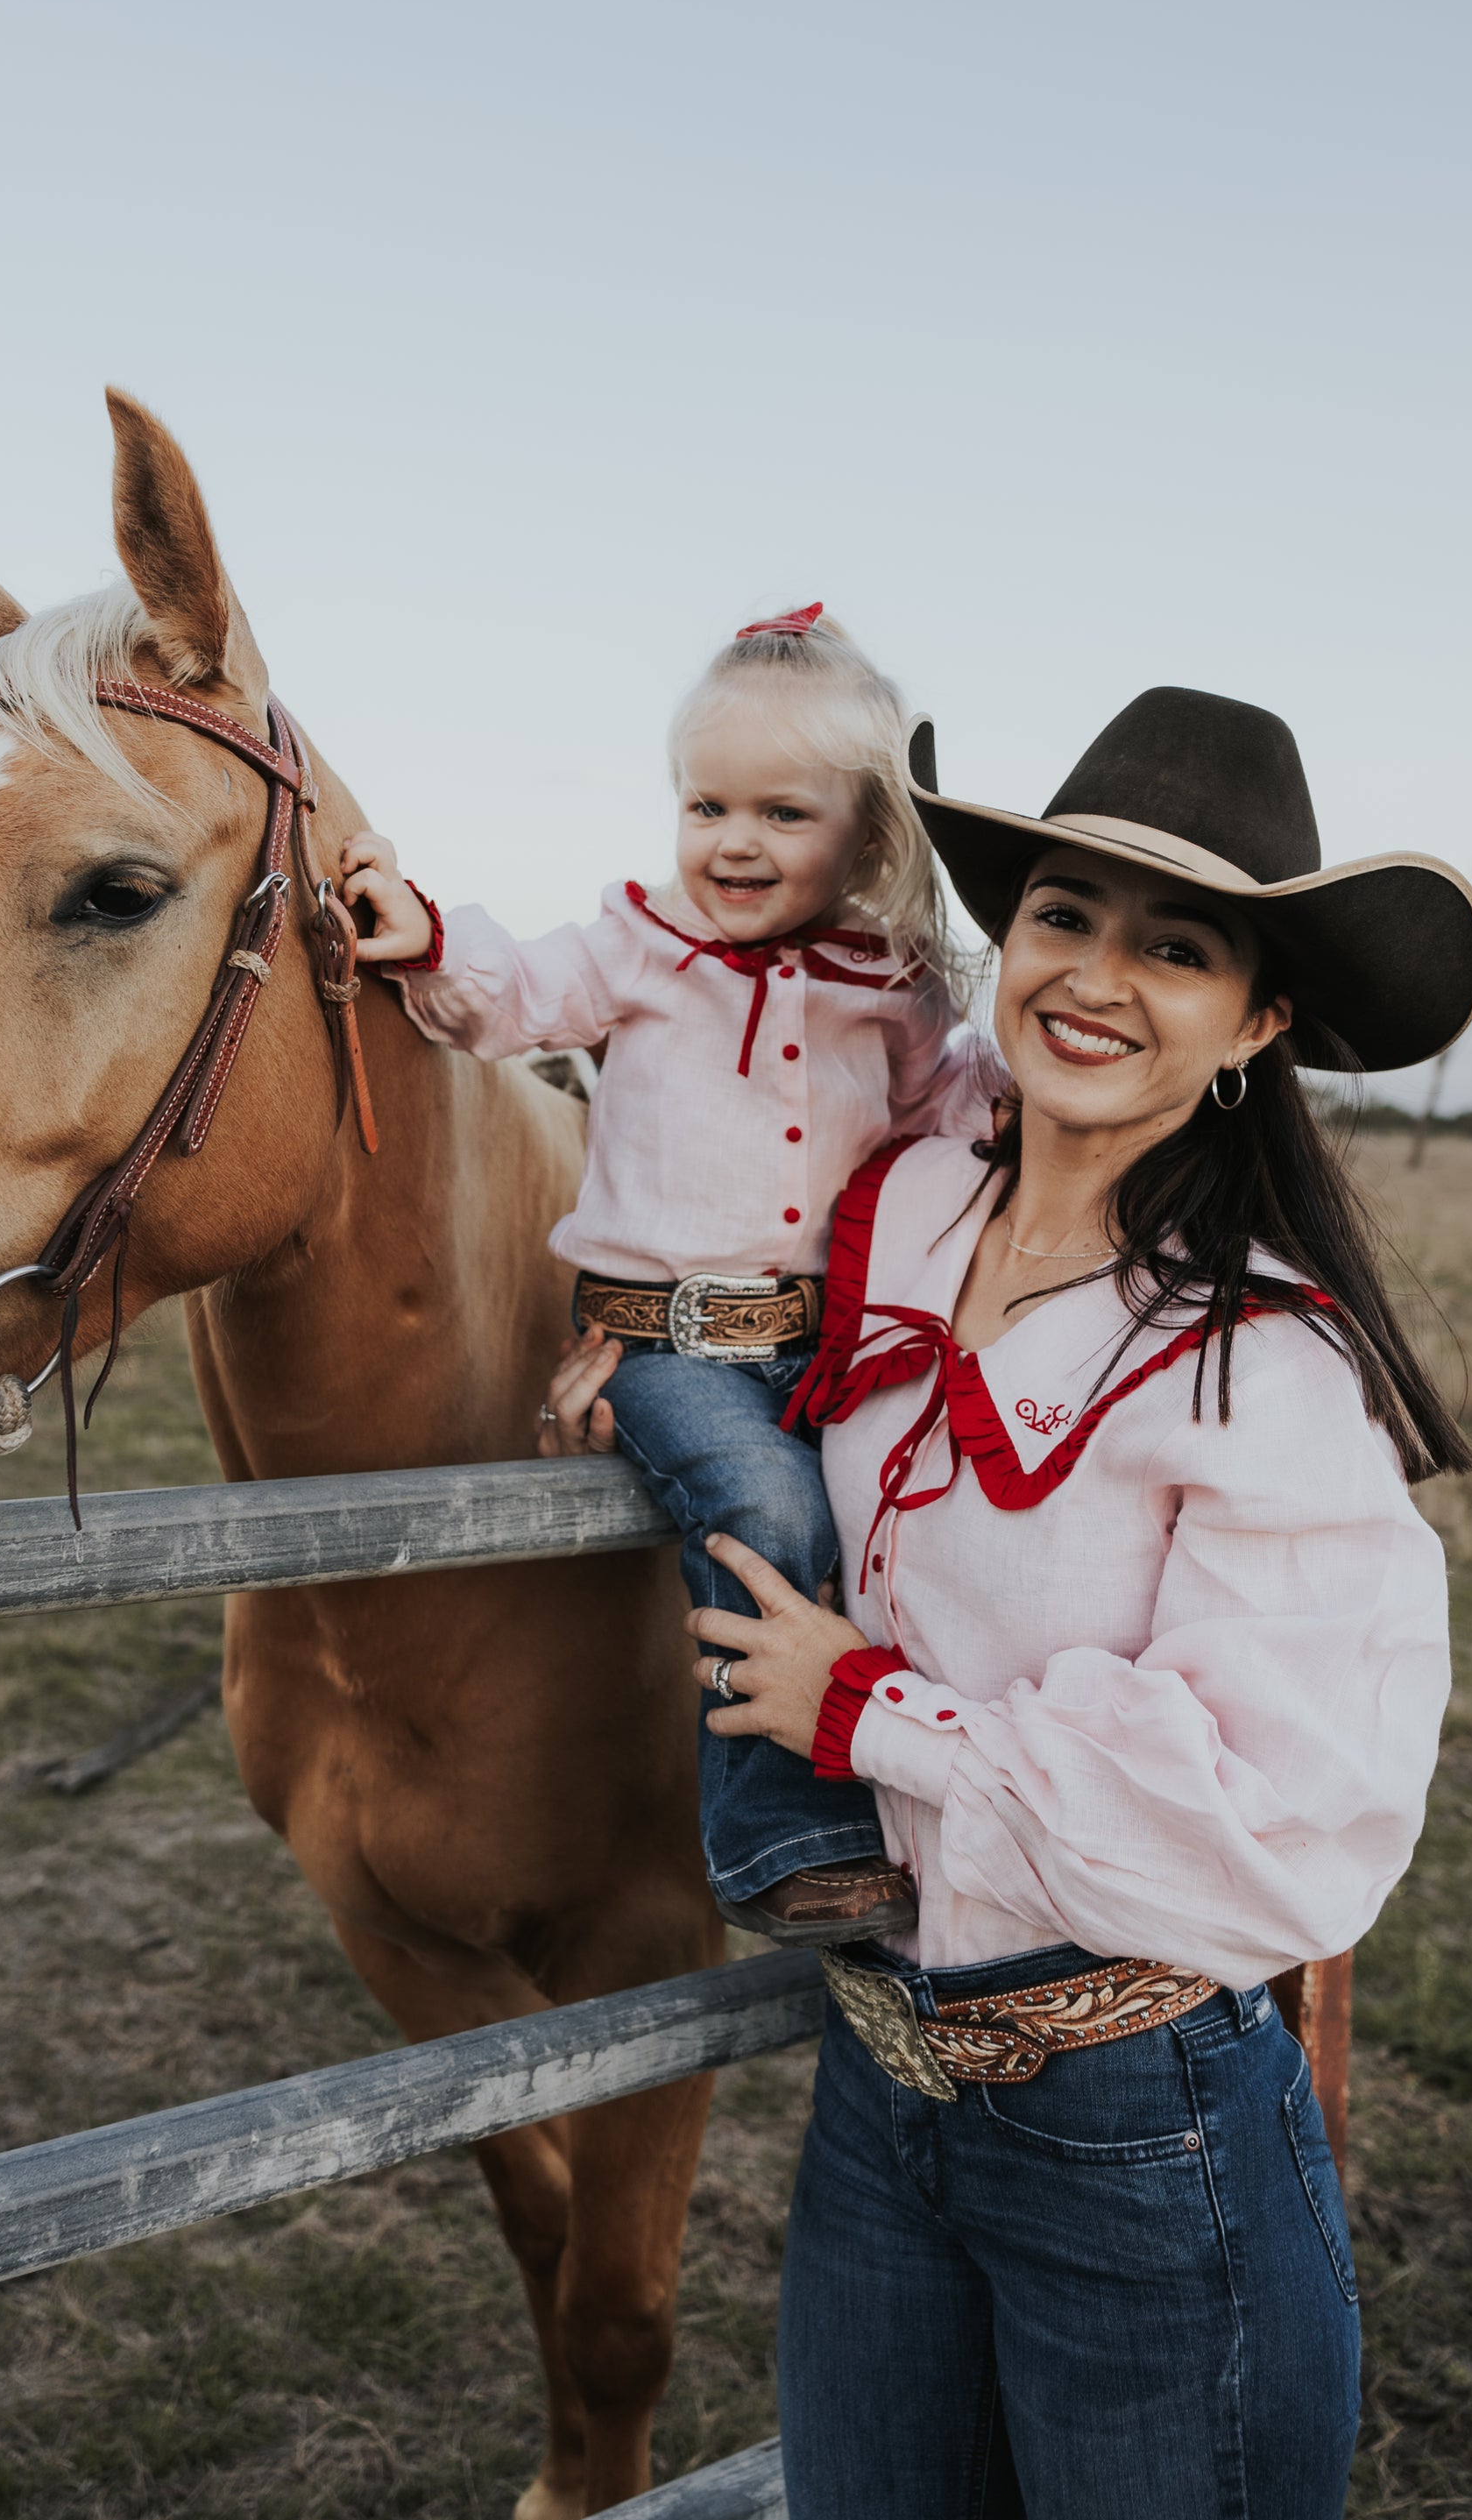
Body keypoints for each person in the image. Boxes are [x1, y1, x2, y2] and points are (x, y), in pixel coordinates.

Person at [540, 685, 1472, 2520]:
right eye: (1066, 915)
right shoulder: (916, 1199)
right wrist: (644, 1331)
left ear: (1258, 1024)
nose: (1099, 977)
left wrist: (868, 1713)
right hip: (882, 2087)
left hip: (1141, 2124)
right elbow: (724, 1133)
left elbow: (1282, 1809)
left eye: (1180, 947)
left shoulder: (1263, 1365)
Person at [341, 605, 1001, 1943]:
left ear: (868, 832)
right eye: (707, 806)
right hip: (661, 1345)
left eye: (782, 813)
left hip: (819, 1346)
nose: (733, 842)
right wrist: (425, 934)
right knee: (770, 1511)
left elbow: (943, 1109)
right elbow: (514, 995)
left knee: (900, 1531)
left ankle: (925, 1803)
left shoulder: (891, 982)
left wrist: (1024, 1095)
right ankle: (779, 1845)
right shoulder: (639, 946)